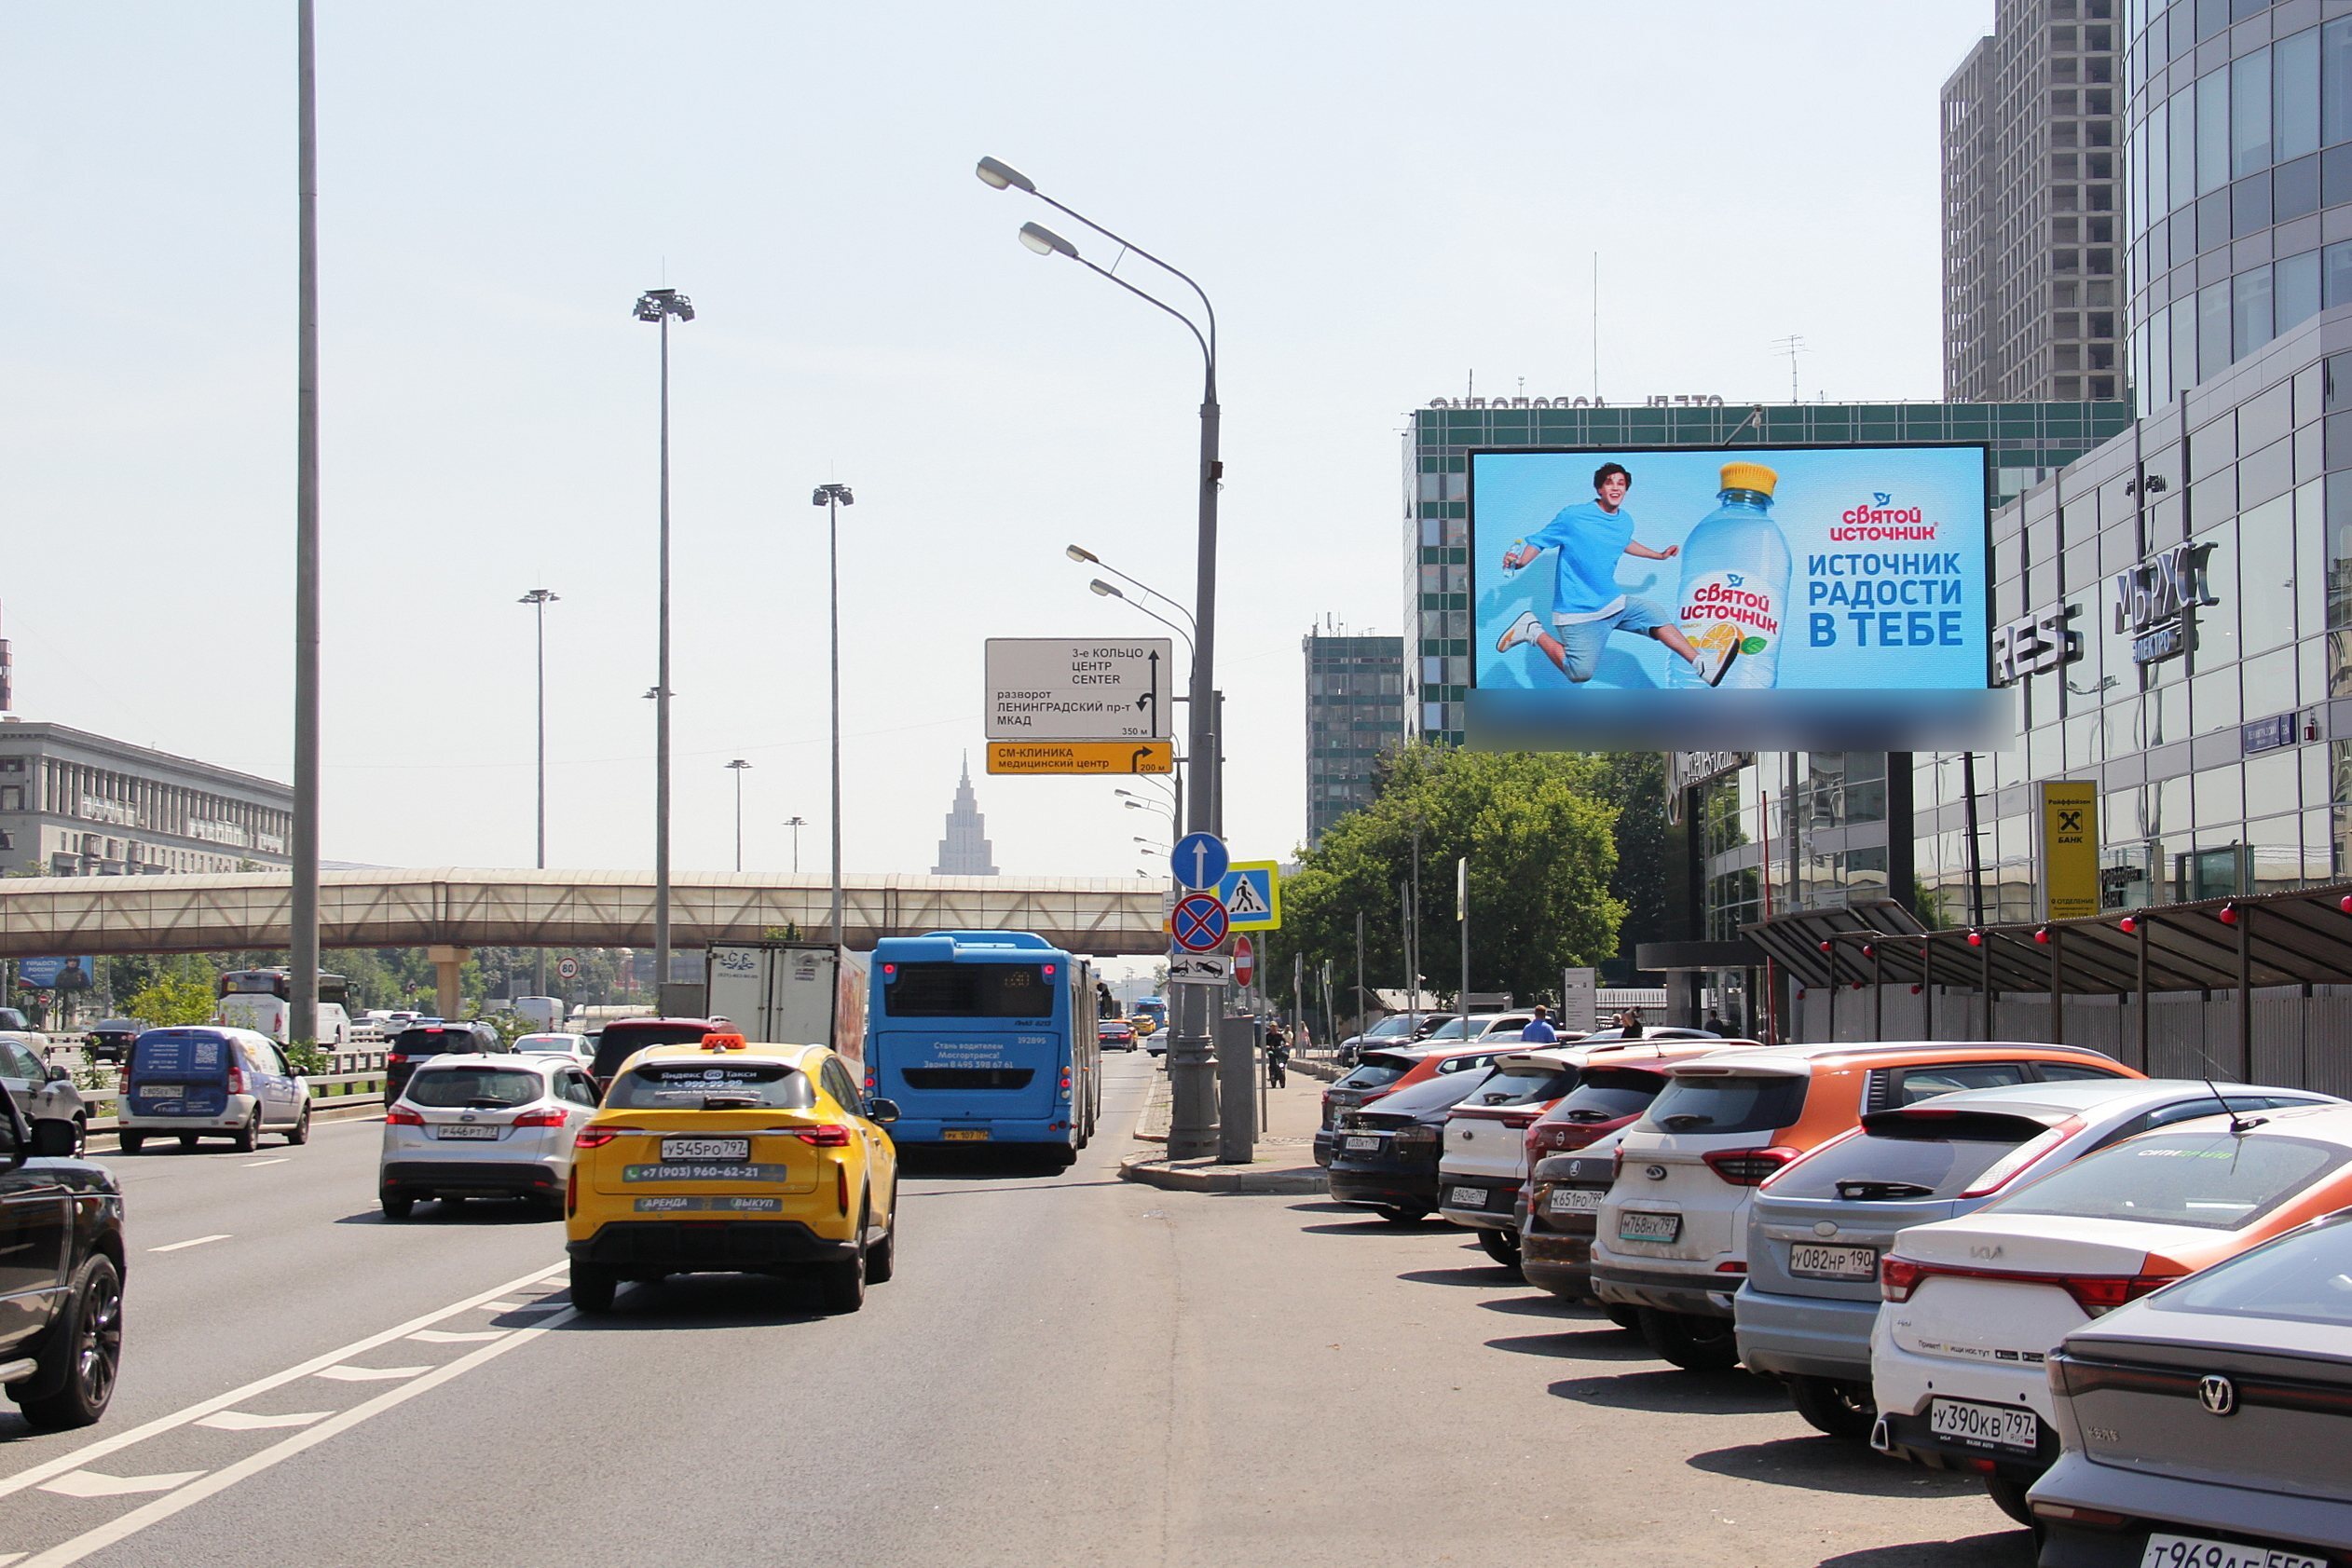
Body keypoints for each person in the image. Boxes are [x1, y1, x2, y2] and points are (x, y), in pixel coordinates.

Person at [1496, 462, 1738, 687]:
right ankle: (1532, 631)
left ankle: (1701, 664)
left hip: (1612, 602)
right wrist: (1518, 563)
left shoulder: (1624, 521)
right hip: (1577, 612)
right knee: (1579, 673)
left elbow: (1624, 542)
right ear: (1600, 488)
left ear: (1625, 490)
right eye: (1610, 482)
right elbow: (1539, 541)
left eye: (1620, 483)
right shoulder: (1573, 517)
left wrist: (1659, 555)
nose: (1615, 487)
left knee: (1653, 613)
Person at [1264, 1022, 1289, 1088]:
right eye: (1272, 1027)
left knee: (1285, 1054)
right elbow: (1263, 1043)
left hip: (1278, 1050)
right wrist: (1267, 1046)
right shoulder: (1267, 1035)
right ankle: (1272, 1070)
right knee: (1271, 1055)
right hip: (1271, 1050)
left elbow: (1284, 1041)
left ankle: (1282, 1065)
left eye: (1275, 1027)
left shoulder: (1279, 1035)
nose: (1273, 1028)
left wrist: (1286, 1044)